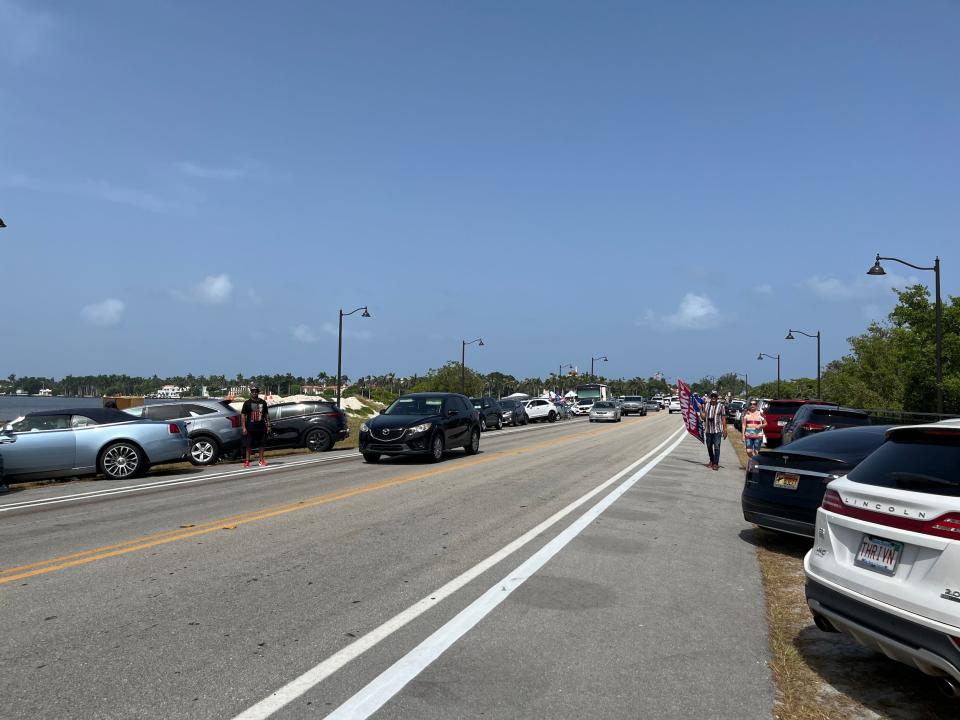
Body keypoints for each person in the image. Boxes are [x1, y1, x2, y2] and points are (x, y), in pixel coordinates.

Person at [240, 386, 271, 468]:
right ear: (251, 392)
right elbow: (243, 415)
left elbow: (266, 414)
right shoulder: (247, 403)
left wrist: (268, 425)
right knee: (248, 445)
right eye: (253, 391)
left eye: (256, 391)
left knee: (262, 444)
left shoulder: (263, 402)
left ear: (258, 392)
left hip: (261, 427)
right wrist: (243, 427)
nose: (254, 393)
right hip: (250, 427)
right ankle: (247, 461)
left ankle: (261, 460)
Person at [700, 390, 727, 470]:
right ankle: (711, 460)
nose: (713, 397)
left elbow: (723, 419)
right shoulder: (706, 405)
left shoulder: (721, 406)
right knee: (709, 446)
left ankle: (716, 463)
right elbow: (703, 418)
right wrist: (701, 410)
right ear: (710, 397)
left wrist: (725, 430)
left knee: (717, 447)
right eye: (712, 396)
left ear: (717, 397)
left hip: (717, 430)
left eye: (715, 396)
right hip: (708, 430)